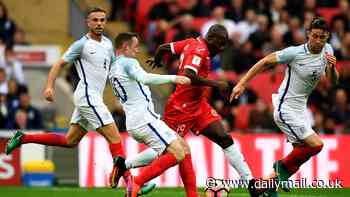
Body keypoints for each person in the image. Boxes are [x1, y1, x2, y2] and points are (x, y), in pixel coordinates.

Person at [5, 7, 128, 188]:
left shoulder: (108, 44)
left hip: (94, 97)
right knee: (115, 138)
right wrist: (49, 87)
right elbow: (58, 64)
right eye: (95, 20)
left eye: (102, 20)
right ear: (88, 22)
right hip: (87, 96)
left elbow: (113, 70)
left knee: (70, 140)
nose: (99, 23)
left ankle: (23, 138)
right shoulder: (81, 44)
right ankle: (133, 182)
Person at [230, 17, 338, 196]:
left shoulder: (327, 50)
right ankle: (279, 169)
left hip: (300, 110)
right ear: (308, 34)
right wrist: (242, 83)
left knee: (300, 154)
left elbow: (333, 81)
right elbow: (265, 61)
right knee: (316, 145)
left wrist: (333, 68)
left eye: (323, 38)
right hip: (284, 108)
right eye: (315, 36)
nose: (319, 41)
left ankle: (265, 187)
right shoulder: (294, 53)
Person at [147, 24, 257, 197]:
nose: (221, 49)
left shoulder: (191, 42)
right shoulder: (199, 50)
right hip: (180, 108)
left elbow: (163, 47)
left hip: (198, 104)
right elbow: (188, 76)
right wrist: (216, 83)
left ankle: (251, 183)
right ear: (211, 38)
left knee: (224, 137)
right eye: (219, 44)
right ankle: (128, 168)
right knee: (166, 150)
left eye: (224, 45)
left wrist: (158, 59)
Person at [109, 32, 191, 197]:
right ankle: (136, 183)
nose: (138, 50)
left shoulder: (113, 68)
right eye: (135, 46)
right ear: (125, 47)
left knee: (182, 147)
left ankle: (124, 166)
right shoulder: (128, 62)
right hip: (143, 119)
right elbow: (144, 78)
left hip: (136, 120)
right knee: (178, 153)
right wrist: (175, 78)